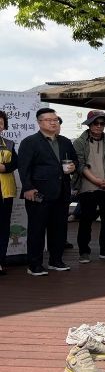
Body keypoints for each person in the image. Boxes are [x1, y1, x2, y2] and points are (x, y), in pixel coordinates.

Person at [17, 108, 78, 275]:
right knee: (37, 229)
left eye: (56, 119)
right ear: (39, 122)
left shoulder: (65, 141)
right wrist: (28, 187)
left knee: (59, 228)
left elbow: (75, 161)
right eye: (49, 120)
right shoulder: (30, 142)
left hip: (62, 191)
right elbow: (23, 167)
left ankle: (56, 260)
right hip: (38, 193)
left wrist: (73, 167)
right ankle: (34, 265)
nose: (53, 122)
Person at [73, 110, 105, 263]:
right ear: (89, 124)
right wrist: (96, 180)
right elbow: (79, 165)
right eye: (95, 123)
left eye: (102, 123)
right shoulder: (79, 142)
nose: (99, 126)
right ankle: (84, 252)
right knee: (86, 219)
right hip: (88, 186)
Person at [0, 110, 19, 276]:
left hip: (5, 191)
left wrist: (4, 167)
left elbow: (15, 163)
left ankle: (0, 262)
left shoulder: (9, 143)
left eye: (0, 123)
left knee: (3, 227)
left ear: (4, 126)